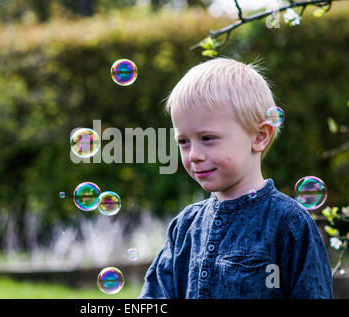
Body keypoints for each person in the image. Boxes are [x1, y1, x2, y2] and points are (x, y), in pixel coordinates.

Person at [138, 57, 333, 299]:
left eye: (207, 138)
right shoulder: (185, 227)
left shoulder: (289, 224)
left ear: (260, 136)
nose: (194, 155)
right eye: (184, 142)